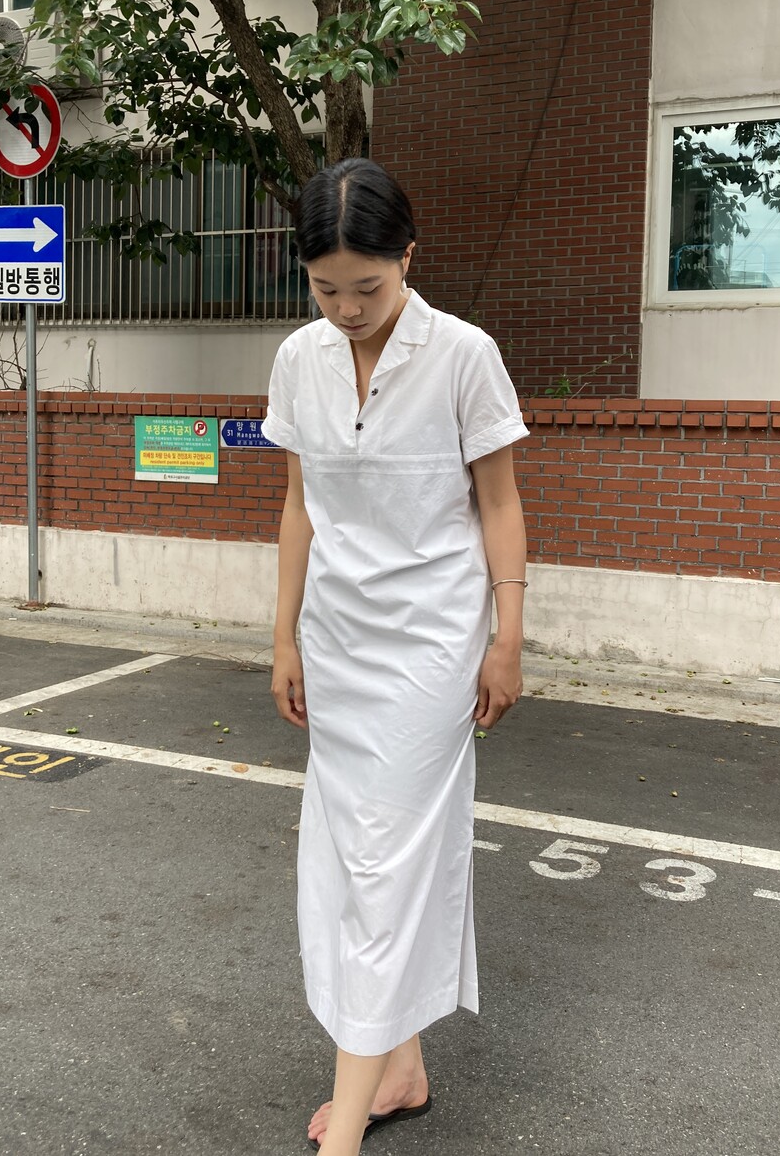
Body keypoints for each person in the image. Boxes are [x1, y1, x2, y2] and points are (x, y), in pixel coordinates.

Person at [261, 157, 528, 1156]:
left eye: (366, 287)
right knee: (349, 858)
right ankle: (401, 1067)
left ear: (408, 256)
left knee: (382, 862)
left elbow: (499, 503)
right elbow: (299, 506)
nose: (346, 309)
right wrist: (282, 635)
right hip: (338, 642)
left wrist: (507, 638)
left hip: (431, 648)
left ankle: (345, 1127)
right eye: (325, 287)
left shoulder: (464, 355)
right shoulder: (299, 359)